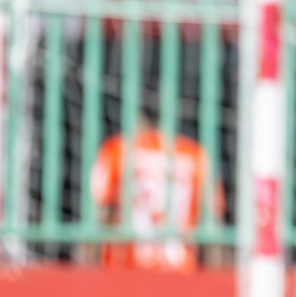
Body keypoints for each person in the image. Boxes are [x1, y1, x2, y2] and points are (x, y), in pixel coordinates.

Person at [87, 102, 222, 271]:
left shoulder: (118, 149)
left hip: (124, 267)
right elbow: (213, 221)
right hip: (179, 267)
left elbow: (99, 212)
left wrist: (86, 267)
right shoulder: (197, 155)